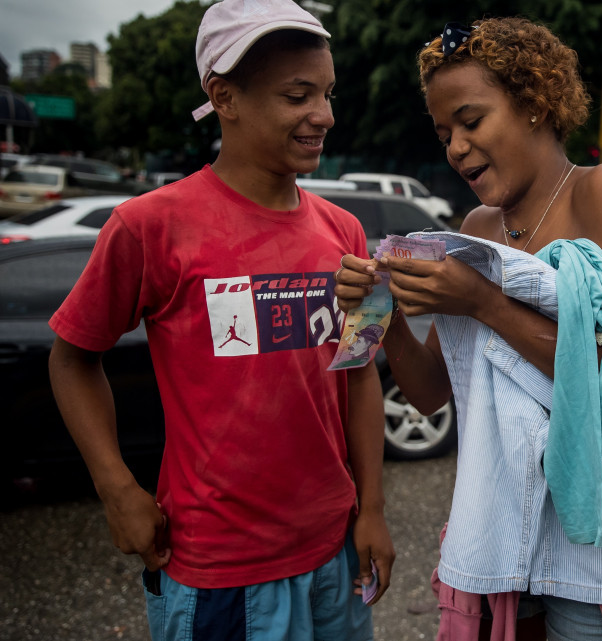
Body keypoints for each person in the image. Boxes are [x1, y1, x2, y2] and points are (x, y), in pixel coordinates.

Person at [335, 17, 602, 641]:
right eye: (444, 132)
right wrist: (382, 309)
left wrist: (483, 302)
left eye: (471, 122)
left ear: (534, 103)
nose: (454, 148)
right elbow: (427, 393)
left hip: (598, 554)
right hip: (502, 545)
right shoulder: (474, 227)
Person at [47, 0, 394, 638]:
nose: (325, 116)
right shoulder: (148, 225)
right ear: (224, 97)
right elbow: (71, 357)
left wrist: (370, 508)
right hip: (221, 571)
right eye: (298, 96)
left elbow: (362, 371)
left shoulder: (344, 229)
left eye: (326, 93)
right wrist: (115, 486)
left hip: (334, 553)